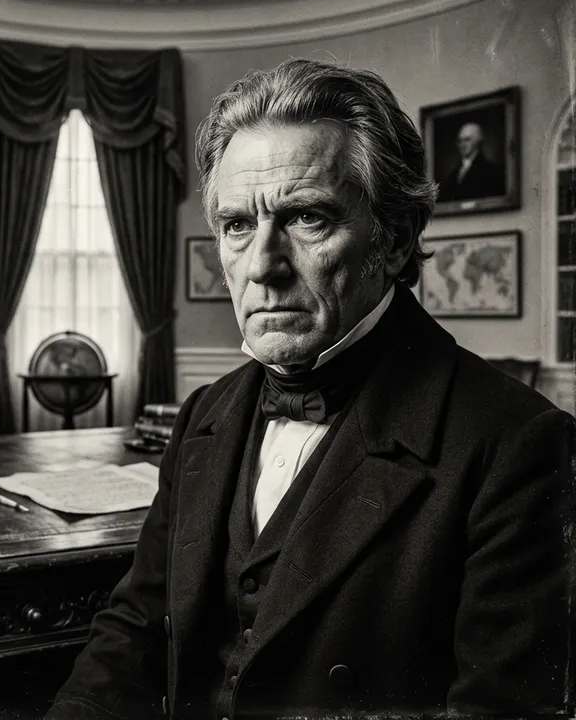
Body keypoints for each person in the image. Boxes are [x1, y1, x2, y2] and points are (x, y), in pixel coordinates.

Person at [45, 60, 573, 719]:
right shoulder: (203, 417)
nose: (263, 265)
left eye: (307, 218)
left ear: (397, 239)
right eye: (238, 225)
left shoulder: (519, 446)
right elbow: (132, 631)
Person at [439, 121, 504, 202]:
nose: (462, 144)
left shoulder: (492, 170)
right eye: (460, 141)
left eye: (467, 140)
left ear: (477, 141)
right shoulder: (453, 175)